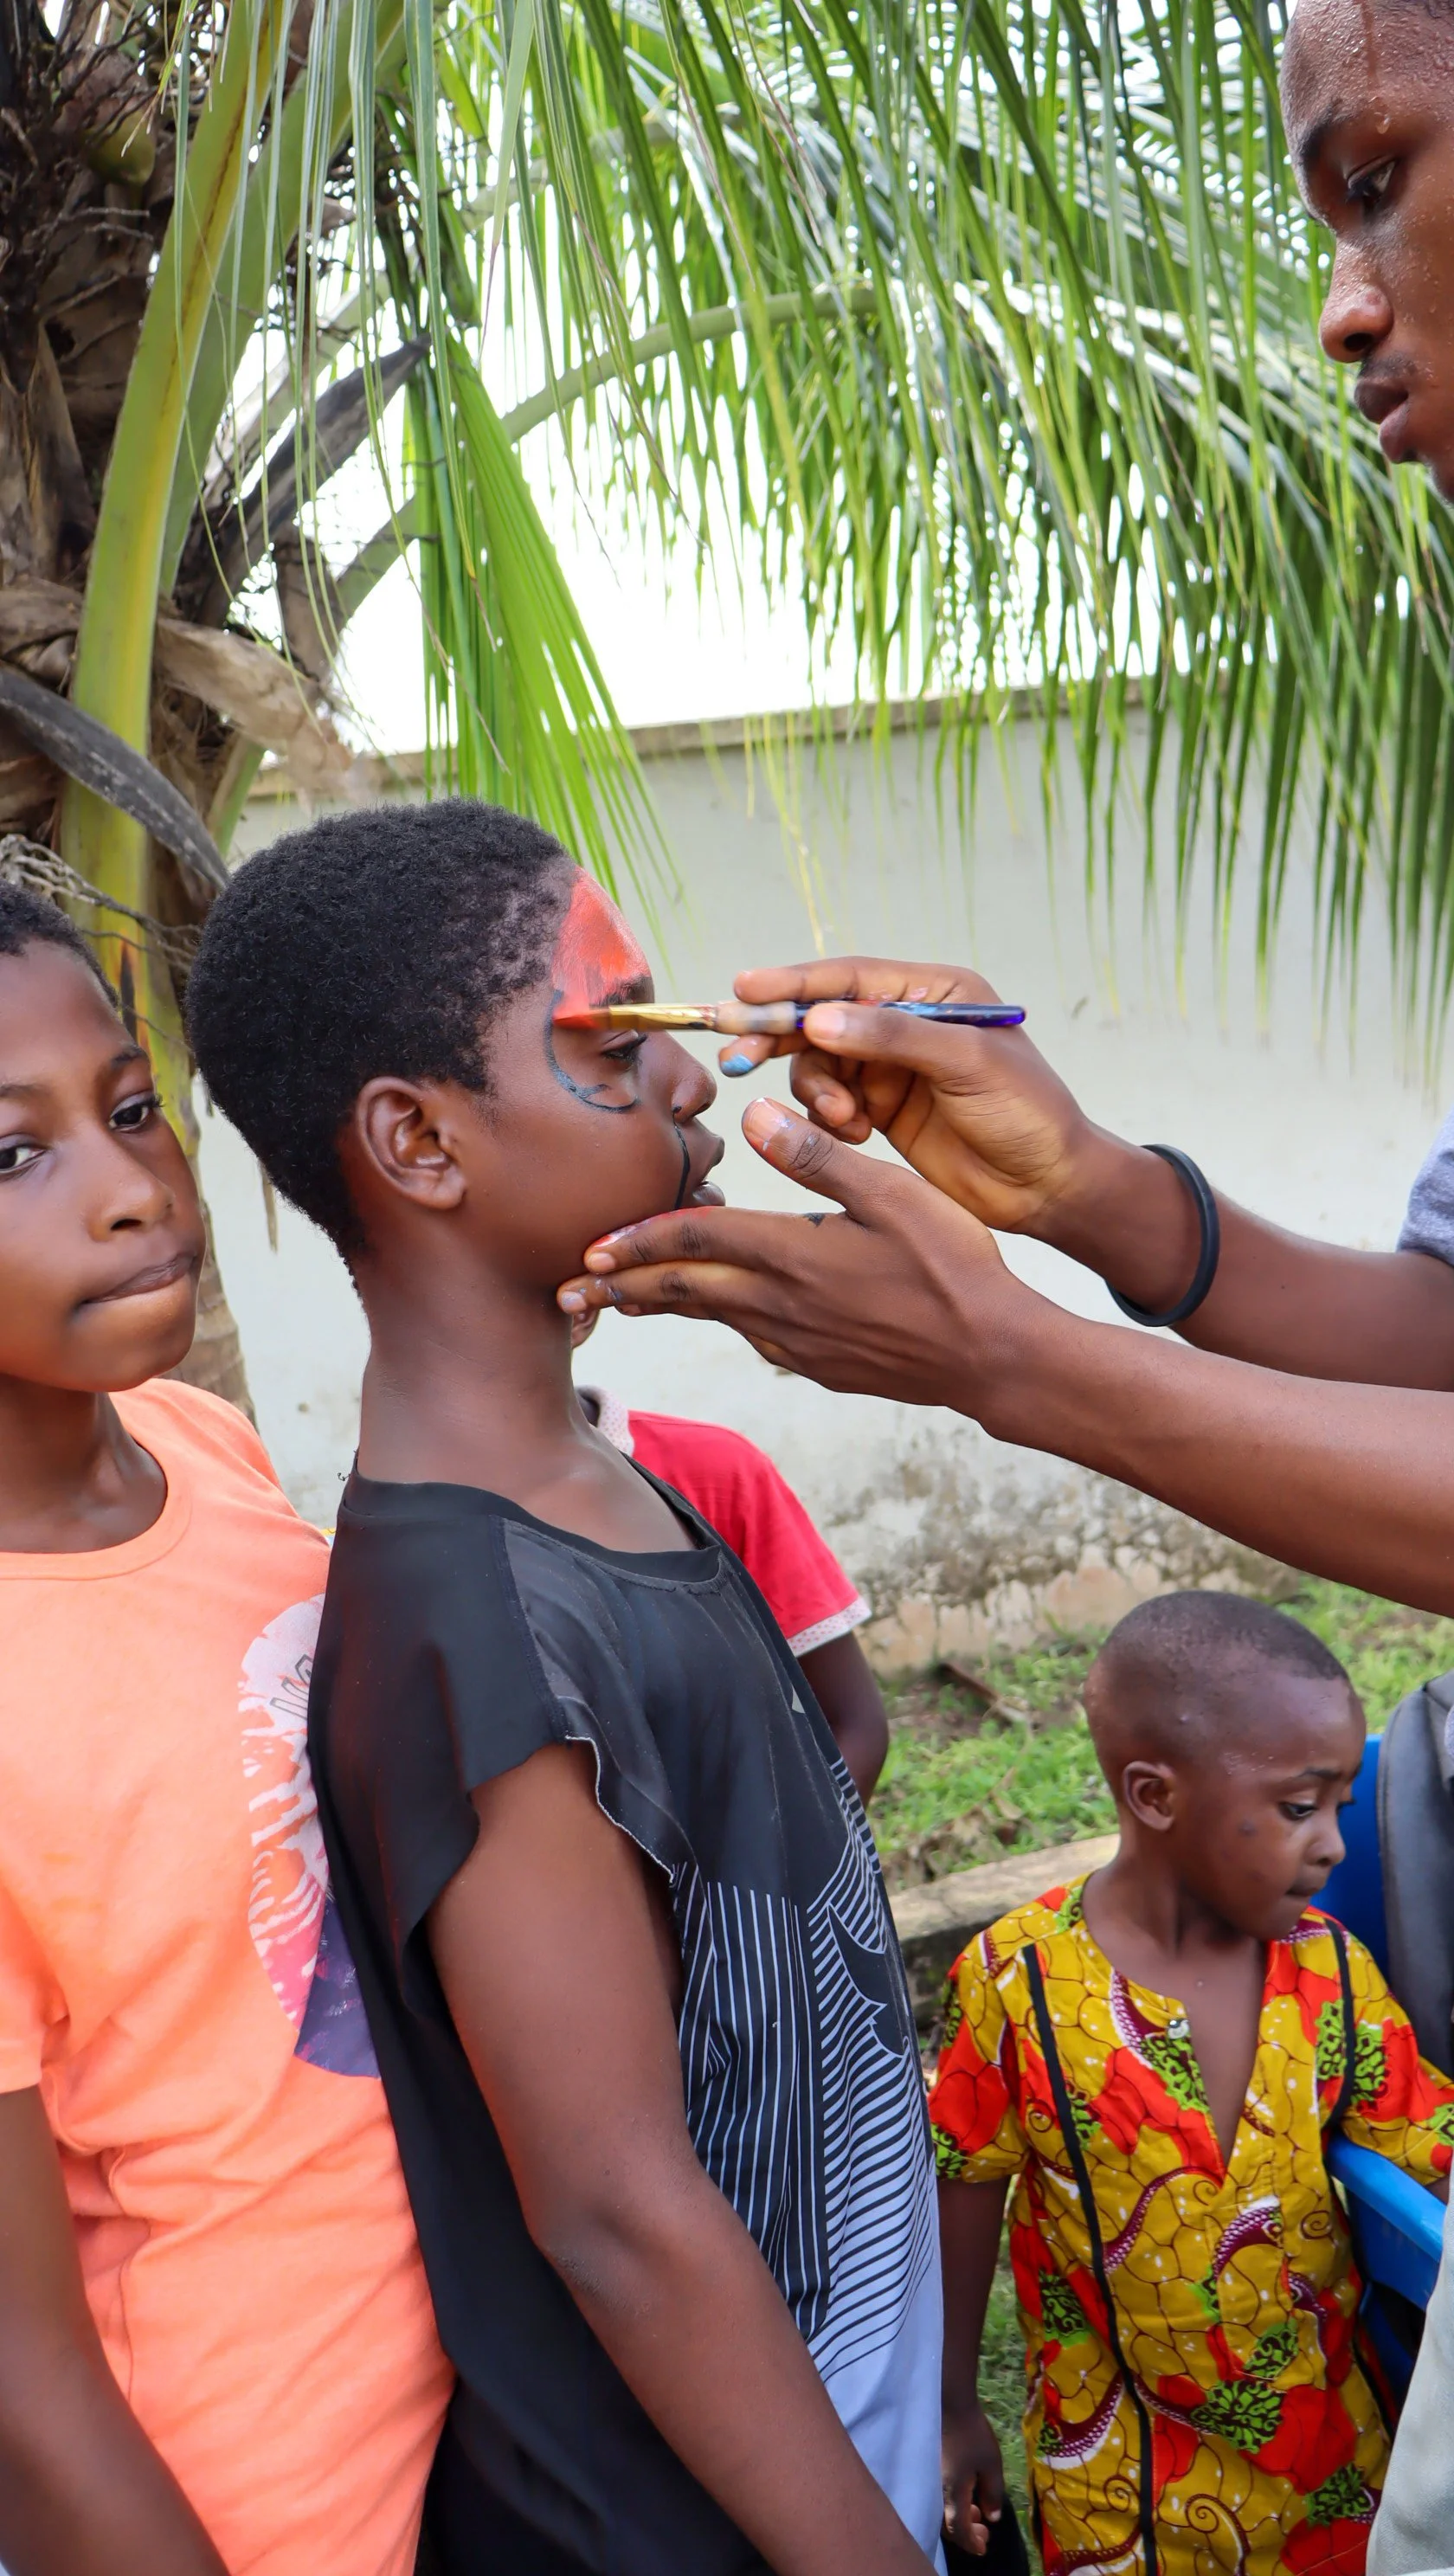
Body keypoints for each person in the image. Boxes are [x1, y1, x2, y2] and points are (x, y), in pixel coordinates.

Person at [184, 798, 946, 2576]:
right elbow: (614, 2210)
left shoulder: (619, 1485)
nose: (687, 1080)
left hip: (845, 2411)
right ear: (422, 1144)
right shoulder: (484, 1634)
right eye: (616, 1039)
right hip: (708, 2515)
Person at [0, 883, 450, 2576]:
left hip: (467, 2385)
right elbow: (22, 2377)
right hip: (245, 2499)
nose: (131, 1194)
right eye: (9, 1155)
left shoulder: (206, 1450)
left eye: (129, 1110)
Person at [931, 1591, 1454, 2576]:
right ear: (1155, 1796)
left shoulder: (1330, 1971)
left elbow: (1426, 2139)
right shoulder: (1020, 1982)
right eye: (1300, 1808)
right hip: (1120, 2483)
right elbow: (964, 2191)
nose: (1335, 1844)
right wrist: (954, 2405)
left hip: (1332, 2469)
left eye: (1340, 1806)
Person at [570, 1315, 889, 1801]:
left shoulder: (714, 1471)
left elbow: (850, 1725)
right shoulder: (414, 1503)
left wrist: (791, 1871)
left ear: (579, 1311)